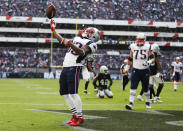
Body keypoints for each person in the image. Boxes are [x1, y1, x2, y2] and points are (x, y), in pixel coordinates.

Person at [50, 19, 100, 126]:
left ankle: (80, 116)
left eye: (90, 31)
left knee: (73, 93)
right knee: (64, 93)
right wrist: (53, 30)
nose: (86, 31)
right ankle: (74, 115)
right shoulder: (77, 38)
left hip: (75, 67)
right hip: (66, 66)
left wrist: (70, 44)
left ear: (94, 36)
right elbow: (62, 40)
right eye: (88, 30)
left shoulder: (92, 44)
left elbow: (81, 52)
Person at [124, 33, 155, 110]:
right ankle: (131, 103)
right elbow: (130, 58)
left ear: (144, 40)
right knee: (133, 87)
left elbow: (152, 58)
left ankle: (147, 102)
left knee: (145, 88)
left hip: (145, 70)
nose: (139, 41)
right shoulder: (133, 46)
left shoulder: (148, 46)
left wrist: (148, 62)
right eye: (138, 39)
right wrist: (127, 68)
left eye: (141, 39)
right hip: (135, 70)